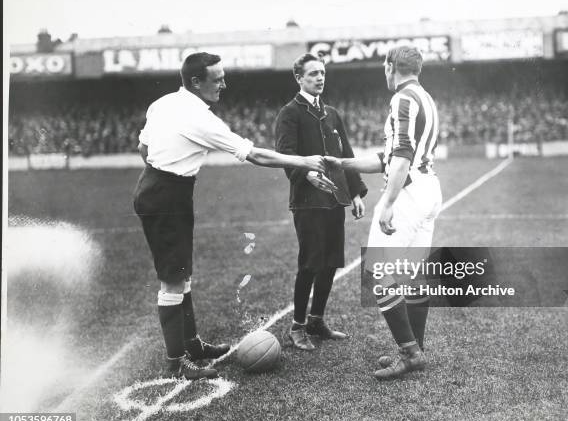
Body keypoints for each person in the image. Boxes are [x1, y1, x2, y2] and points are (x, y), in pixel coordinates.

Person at [133, 52, 327, 380]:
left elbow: (143, 149)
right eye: (217, 78)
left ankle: (192, 344)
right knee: (173, 279)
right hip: (167, 195)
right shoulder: (200, 119)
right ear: (196, 82)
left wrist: (164, 174)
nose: (225, 83)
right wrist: (303, 161)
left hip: (160, 187)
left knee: (182, 272)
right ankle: (176, 361)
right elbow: (255, 155)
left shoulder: (163, 103)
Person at [325, 46, 442, 379]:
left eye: (384, 66)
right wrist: (344, 163)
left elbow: (402, 155)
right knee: (411, 272)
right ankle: (414, 349)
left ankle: (409, 352)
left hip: (407, 193)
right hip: (427, 189)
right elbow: (387, 158)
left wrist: (388, 202)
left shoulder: (402, 99)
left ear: (392, 66)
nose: (383, 71)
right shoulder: (425, 98)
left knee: (378, 272)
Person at [275, 53, 368, 351]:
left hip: (334, 199)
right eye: (313, 73)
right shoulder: (289, 113)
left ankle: (317, 319)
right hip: (307, 201)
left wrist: (354, 193)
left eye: (322, 73)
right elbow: (285, 155)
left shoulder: (332, 112)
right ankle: (298, 326)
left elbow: (347, 155)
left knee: (331, 263)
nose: (319, 78)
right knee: (311, 263)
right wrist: (306, 175)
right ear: (299, 78)